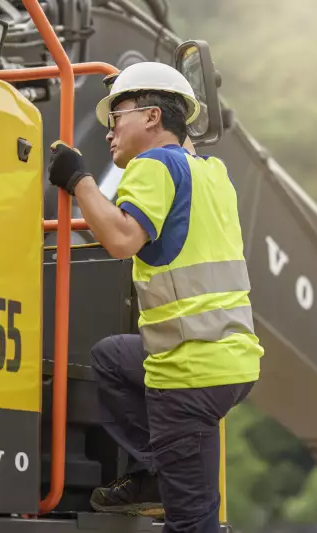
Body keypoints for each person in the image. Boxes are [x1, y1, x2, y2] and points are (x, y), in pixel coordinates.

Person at [46, 61, 264, 533]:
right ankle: (155, 476)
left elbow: (122, 239)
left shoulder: (152, 166)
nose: (109, 131)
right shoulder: (213, 173)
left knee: (191, 526)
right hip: (232, 361)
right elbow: (183, 148)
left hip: (187, 373)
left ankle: (166, 477)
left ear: (151, 116)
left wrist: (77, 179)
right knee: (112, 358)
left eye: (116, 116)